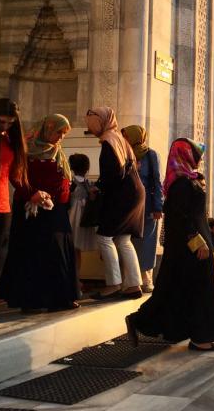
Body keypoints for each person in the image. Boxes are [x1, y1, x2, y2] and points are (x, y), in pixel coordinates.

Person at [125, 139, 214, 352]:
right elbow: (181, 218)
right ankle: (199, 337)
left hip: (194, 245)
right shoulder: (181, 184)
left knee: (177, 290)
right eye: (195, 154)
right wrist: (197, 242)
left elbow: (196, 215)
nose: (198, 158)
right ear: (184, 155)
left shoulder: (189, 180)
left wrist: (212, 227)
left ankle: (142, 322)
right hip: (190, 249)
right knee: (197, 291)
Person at [0, 114, 79, 312]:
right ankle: (30, 300)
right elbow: (16, 176)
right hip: (31, 208)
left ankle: (60, 298)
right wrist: (33, 194)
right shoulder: (26, 149)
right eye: (58, 131)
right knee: (32, 254)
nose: (61, 137)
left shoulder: (57, 152)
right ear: (47, 129)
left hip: (55, 210)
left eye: (64, 133)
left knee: (57, 253)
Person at [86, 107, 145, 300]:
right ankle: (134, 285)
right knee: (122, 239)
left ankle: (113, 284)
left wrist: (98, 187)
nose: (89, 124)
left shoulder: (109, 141)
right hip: (134, 192)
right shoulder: (118, 138)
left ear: (101, 120)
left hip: (123, 195)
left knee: (104, 237)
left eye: (91, 120)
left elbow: (113, 173)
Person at [122, 125, 163, 293]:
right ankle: (131, 279)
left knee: (147, 241)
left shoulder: (150, 155)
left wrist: (158, 206)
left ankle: (147, 279)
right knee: (129, 242)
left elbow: (156, 181)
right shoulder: (125, 154)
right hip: (129, 205)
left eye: (126, 136)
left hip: (148, 207)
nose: (124, 140)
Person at [0, 99, 29, 281]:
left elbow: (15, 176)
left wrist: (33, 193)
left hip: (1, 206)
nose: (6, 126)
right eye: (1, 122)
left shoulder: (9, 140)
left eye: (10, 122)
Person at [67, 154, 97, 293]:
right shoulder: (89, 184)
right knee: (77, 251)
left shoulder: (70, 183)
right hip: (84, 219)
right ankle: (76, 278)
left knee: (71, 249)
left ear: (72, 167)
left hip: (71, 217)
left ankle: (72, 279)